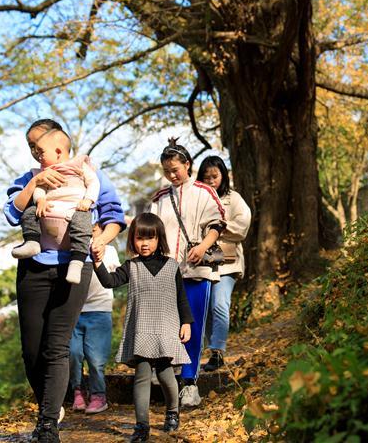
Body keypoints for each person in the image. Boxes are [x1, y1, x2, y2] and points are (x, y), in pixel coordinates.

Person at [4, 119, 125, 443]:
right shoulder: (30, 176)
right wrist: (37, 182)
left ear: (57, 144)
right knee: (32, 352)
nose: (34, 152)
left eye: (37, 145)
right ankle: (51, 402)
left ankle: (47, 425)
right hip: (34, 266)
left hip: (75, 266)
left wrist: (100, 241)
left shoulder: (87, 171)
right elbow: (13, 212)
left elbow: (114, 215)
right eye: (30, 147)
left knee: (56, 347)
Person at [93, 213, 193, 442]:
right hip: (142, 330)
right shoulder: (132, 266)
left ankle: (172, 413)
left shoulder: (171, 266)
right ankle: (141, 426)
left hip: (167, 328)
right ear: (133, 240)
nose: (144, 243)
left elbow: (181, 298)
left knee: (167, 375)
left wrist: (186, 322)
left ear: (159, 239)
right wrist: (97, 262)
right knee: (142, 375)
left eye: (150, 238)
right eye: (139, 238)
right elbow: (110, 282)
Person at [150, 138, 225, 408]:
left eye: (176, 169)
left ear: (187, 165)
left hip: (197, 269)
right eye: (167, 171)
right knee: (166, 326)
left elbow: (218, 223)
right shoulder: (159, 198)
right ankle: (169, 374)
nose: (172, 175)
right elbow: (151, 231)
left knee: (191, 326)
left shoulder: (205, 192)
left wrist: (203, 245)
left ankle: (190, 383)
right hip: (167, 272)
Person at [11, 128, 99, 285]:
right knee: (30, 211)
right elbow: (40, 189)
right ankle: (32, 242)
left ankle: (77, 261)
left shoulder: (79, 165)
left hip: (74, 210)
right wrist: (40, 200)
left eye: (41, 151)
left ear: (58, 151)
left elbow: (93, 182)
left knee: (83, 219)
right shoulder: (43, 172)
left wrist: (88, 200)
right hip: (48, 212)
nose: (38, 155)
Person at [196, 156, 252, 372]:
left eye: (215, 176)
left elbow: (242, 227)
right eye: (206, 176)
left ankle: (218, 352)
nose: (211, 180)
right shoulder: (198, 199)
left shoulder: (234, 198)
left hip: (228, 263)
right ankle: (211, 351)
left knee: (220, 304)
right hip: (203, 263)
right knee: (207, 309)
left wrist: (219, 227)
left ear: (223, 175)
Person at [69, 242, 120, 415]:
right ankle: (78, 391)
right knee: (73, 353)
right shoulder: (71, 247)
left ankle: (99, 395)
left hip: (99, 309)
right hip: (73, 309)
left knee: (96, 358)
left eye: (95, 228)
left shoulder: (109, 250)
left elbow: (115, 276)